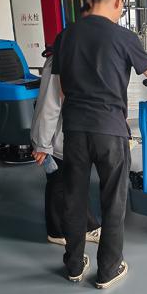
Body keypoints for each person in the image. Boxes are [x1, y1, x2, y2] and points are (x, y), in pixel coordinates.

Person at [58, 0, 147, 287]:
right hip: (110, 129)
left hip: (75, 130)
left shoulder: (67, 35)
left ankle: (73, 266)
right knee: (113, 200)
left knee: (74, 198)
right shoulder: (123, 37)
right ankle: (108, 269)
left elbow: (62, 89)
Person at [30, 38, 101, 247]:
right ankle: (58, 231)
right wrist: (42, 143)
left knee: (74, 182)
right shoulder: (58, 61)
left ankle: (84, 225)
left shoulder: (80, 56)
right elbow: (49, 105)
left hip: (74, 133)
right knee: (60, 182)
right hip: (57, 137)